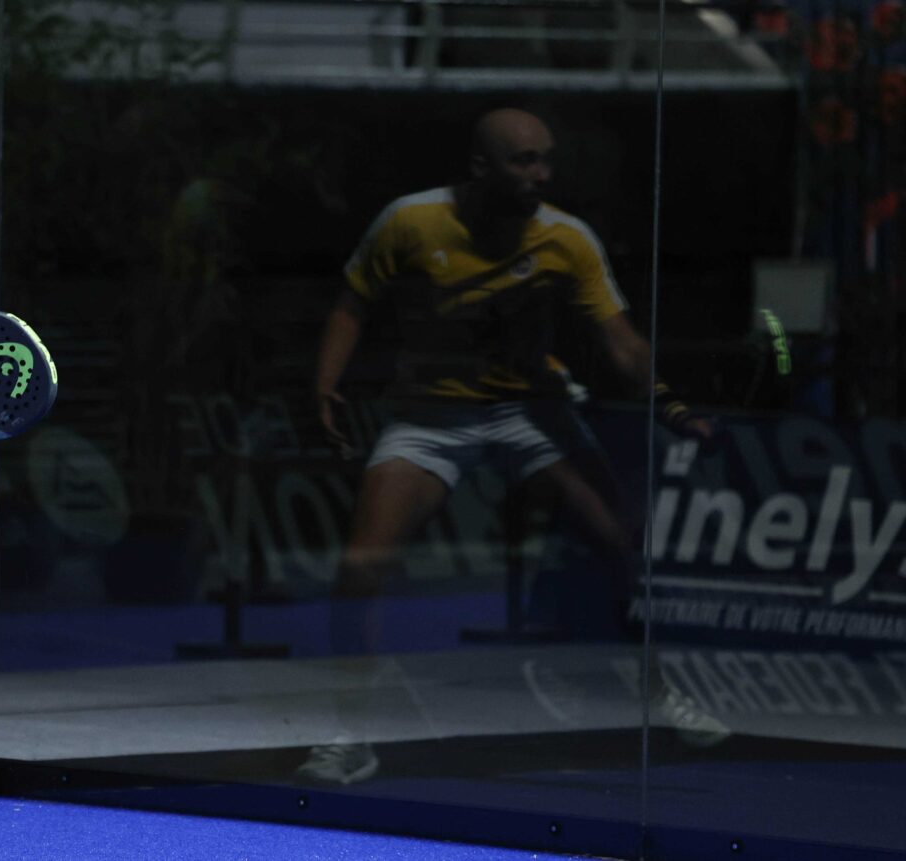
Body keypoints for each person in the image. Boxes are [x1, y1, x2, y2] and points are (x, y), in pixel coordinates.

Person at [299, 108, 727, 785]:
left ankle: (659, 697)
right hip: (431, 416)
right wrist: (325, 385)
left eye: (546, 159)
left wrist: (669, 404)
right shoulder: (410, 221)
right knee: (359, 567)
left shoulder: (566, 238)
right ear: (481, 167)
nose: (541, 174)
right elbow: (353, 302)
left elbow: (620, 341)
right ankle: (351, 734)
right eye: (524, 161)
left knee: (620, 546)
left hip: (531, 412)